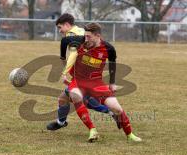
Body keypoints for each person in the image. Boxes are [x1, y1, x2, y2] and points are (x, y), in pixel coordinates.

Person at [46, 13, 120, 142]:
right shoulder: (81, 31)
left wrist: (65, 71)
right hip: (84, 73)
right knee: (64, 98)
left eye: (60, 27)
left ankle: (108, 114)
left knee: (83, 100)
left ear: (67, 25)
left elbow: (74, 54)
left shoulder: (72, 35)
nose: (59, 31)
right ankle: (61, 121)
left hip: (83, 76)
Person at [67, 22, 142, 142]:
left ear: (97, 36)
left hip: (96, 83)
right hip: (78, 81)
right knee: (75, 96)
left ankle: (130, 135)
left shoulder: (109, 48)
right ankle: (92, 130)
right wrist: (65, 70)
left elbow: (112, 65)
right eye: (85, 36)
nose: (86, 38)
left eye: (89, 36)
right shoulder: (80, 42)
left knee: (116, 109)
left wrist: (112, 82)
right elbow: (65, 42)